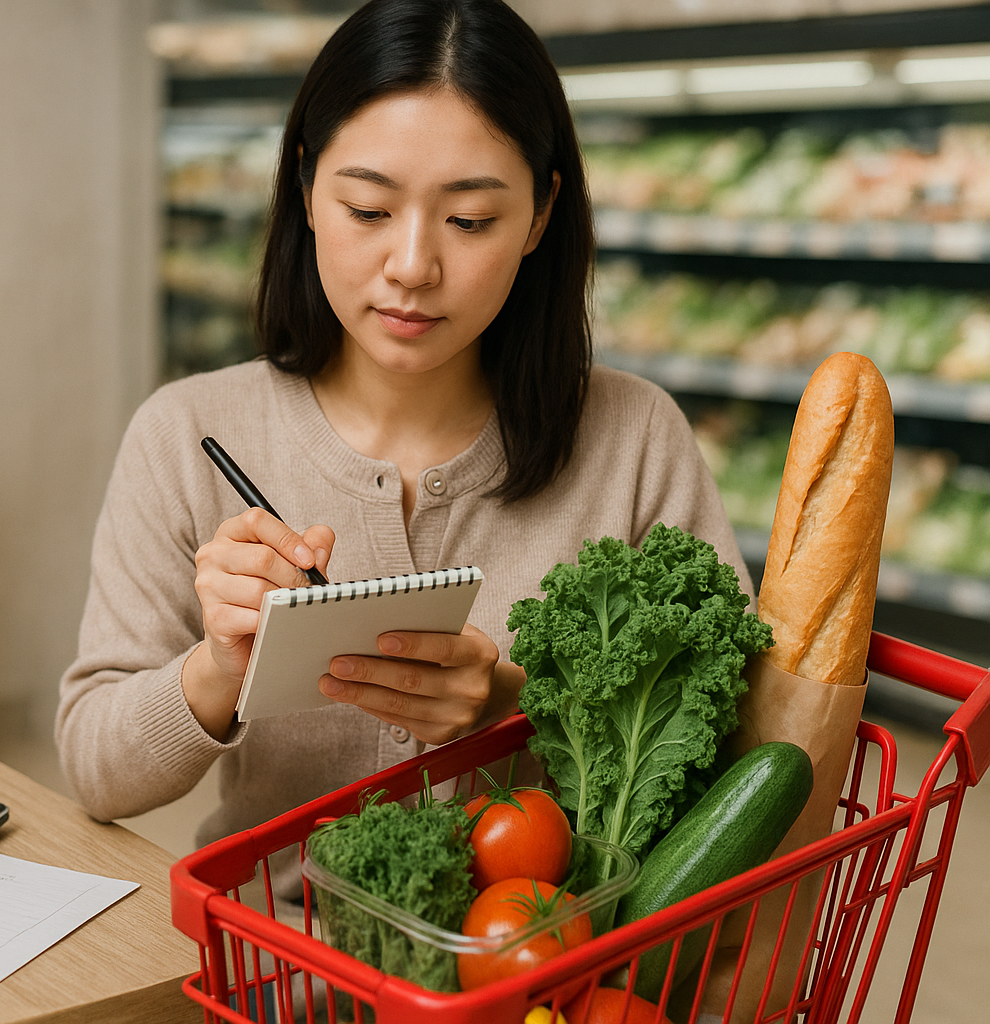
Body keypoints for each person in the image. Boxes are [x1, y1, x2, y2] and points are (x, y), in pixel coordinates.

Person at [56, 0, 750, 851]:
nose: (413, 266)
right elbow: (94, 770)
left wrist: (511, 704)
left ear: (539, 216)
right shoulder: (188, 430)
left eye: (469, 221)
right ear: (308, 189)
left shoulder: (636, 437)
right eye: (369, 210)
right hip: (270, 963)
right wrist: (218, 669)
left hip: (540, 955)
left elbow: (740, 751)